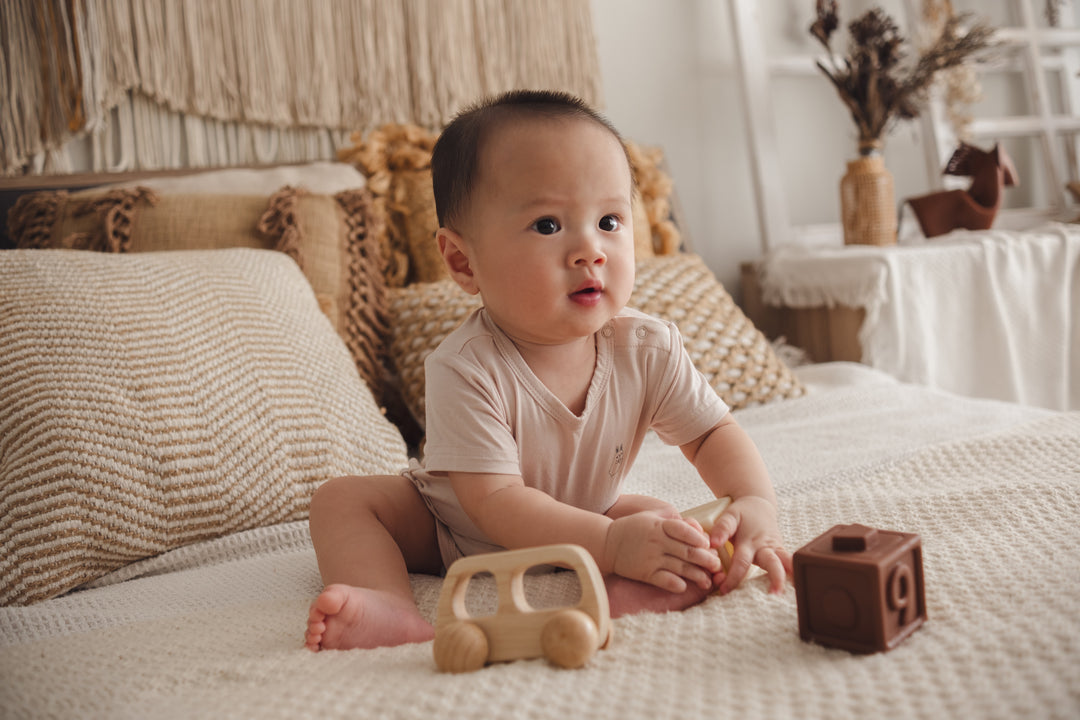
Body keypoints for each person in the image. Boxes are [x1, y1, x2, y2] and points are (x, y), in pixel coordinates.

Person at [304, 90, 792, 652]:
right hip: (455, 532)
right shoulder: (464, 367)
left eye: (609, 220)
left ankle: (624, 593)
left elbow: (712, 435)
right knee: (341, 501)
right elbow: (495, 503)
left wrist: (754, 503)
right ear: (463, 262)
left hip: (586, 516)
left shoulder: (647, 346)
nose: (591, 250)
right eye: (547, 225)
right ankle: (386, 604)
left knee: (664, 524)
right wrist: (611, 544)